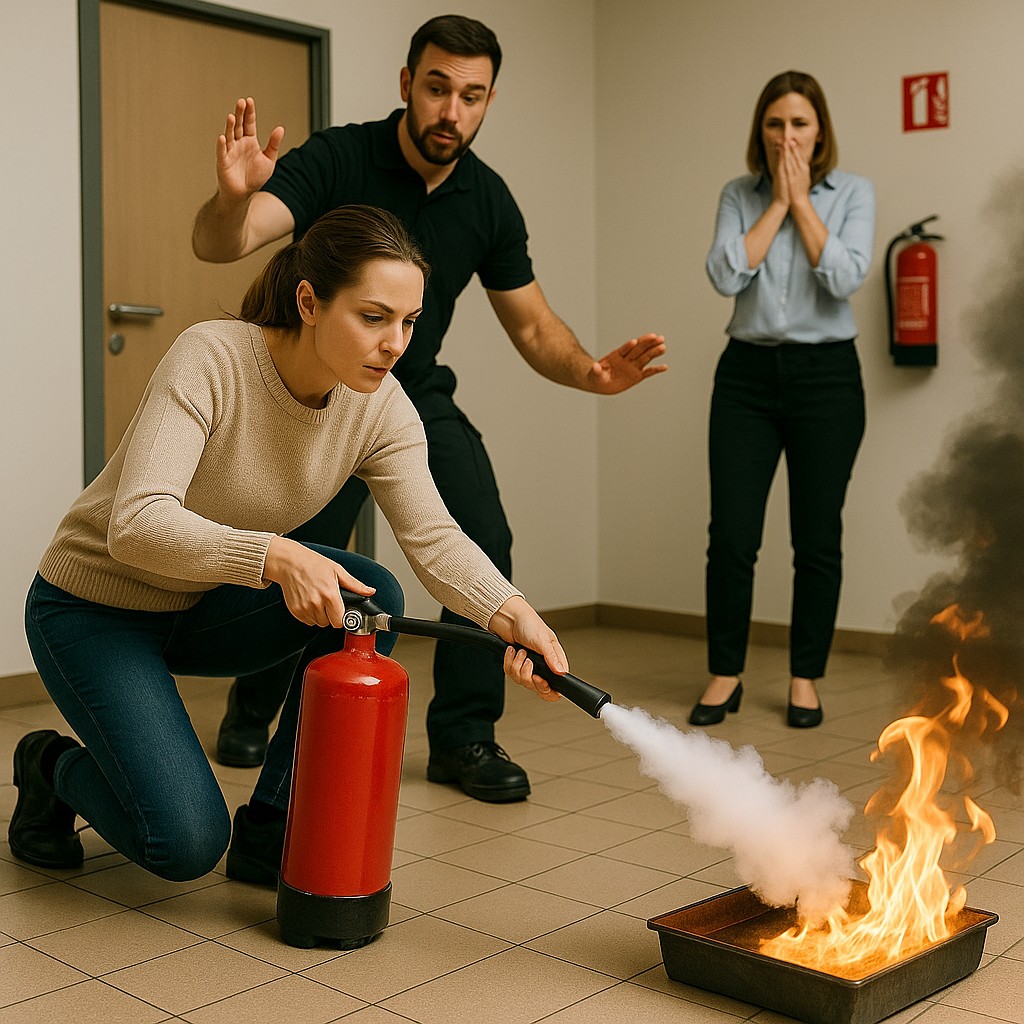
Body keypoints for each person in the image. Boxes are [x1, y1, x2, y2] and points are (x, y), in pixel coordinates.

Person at [10, 205, 569, 887]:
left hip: (205, 606)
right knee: (184, 845)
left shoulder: (381, 407)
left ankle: (272, 827)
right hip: (92, 611)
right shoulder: (213, 356)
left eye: (408, 322)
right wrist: (275, 555)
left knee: (372, 597)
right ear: (309, 301)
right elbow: (137, 524)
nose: (396, 343)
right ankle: (47, 768)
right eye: (373, 317)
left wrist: (513, 616)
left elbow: (435, 539)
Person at [191, 15, 666, 801]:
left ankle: (465, 737)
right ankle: (256, 699)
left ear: (488, 102)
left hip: (409, 392)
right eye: (439, 88)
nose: (453, 111)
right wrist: (229, 199)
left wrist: (591, 373)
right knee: (301, 545)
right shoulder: (340, 156)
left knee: (481, 530)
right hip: (317, 386)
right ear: (407, 84)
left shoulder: (489, 200)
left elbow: (534, 323)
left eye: (472, 96)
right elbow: (225, 241)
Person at [692, 70, 875, 730]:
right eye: (776, 124)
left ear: (819, 129)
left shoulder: (854, 193)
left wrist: (804, 205)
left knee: (817, 538)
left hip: (827, 378)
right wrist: (776, 201)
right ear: (760, 131)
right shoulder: (738, 195)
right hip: (746, 377)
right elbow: (723, 273)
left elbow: (847, 276)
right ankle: (725, 674)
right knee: (732, 536)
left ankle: (805, 678)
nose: (788, 135)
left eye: (800, 123)